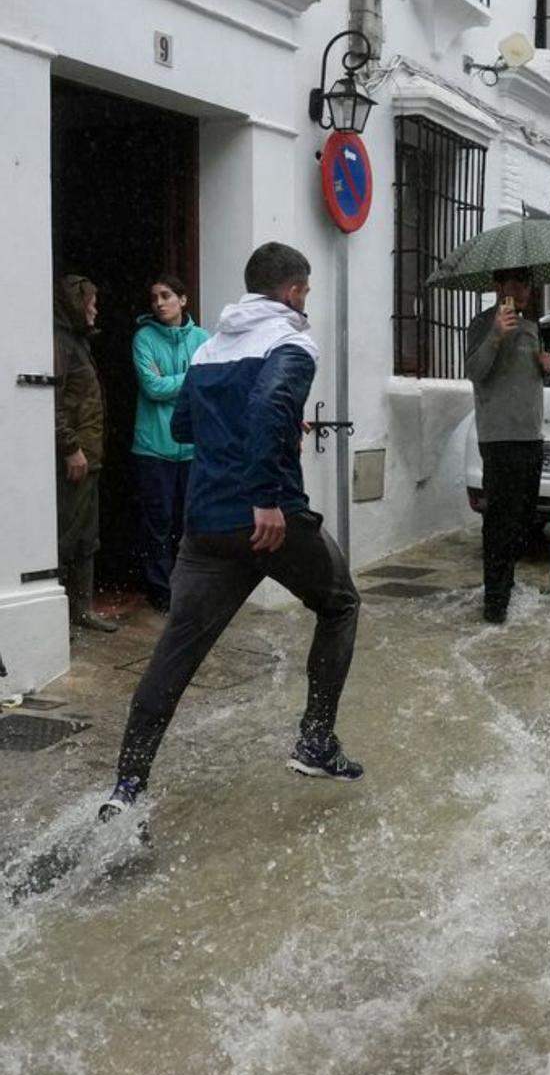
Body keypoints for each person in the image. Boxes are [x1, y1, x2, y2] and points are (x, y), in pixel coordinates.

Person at [98, 242, 362, 821]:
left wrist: (275, 424)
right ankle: (316, 742)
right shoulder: (292, 340)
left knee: (175, 652)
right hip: (272, 520)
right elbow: (269, 403)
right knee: (341, 604)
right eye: (307, 291)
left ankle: (126, 789)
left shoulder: (211, 346)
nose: (307, 300)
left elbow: (187, 422)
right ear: (292, 291)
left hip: (207, 525)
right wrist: (266, 497)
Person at [465, 267, 550, 624]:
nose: (523, 290)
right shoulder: (482, 324)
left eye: (527, 284)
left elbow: (534, 378)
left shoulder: (534, 326)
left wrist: (547, 368)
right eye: (515, 283)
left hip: (531, 435)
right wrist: (496, 336)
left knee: (523, 519)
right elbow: (475, 371)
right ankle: (495, 601)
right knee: (499, 522)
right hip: (499, 437)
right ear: (498, 286)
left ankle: (508, 585)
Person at [131, 274, 210, 612]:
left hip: (193, 447)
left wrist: (178, 382)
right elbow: (152, 387)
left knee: (190, 522)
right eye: (154, 298)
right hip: (153, 447)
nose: (159, 303)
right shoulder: (144, 338)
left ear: (183, 300)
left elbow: (209, 385)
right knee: (158, 522)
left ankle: (188, 588)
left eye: (165, 296)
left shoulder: (204, 339)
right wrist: (192, 378)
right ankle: (161, 591)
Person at [53, 273, 118, 634]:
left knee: (86, 536)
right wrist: (70, 447)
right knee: (67, 536)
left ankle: (83, 610)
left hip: (89, 455)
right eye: (91, 303)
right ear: (76, 304)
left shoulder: (77, 342)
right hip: (75, 456)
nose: (95, 310)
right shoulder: (60, 343)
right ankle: (60, 617)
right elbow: (53, 401)